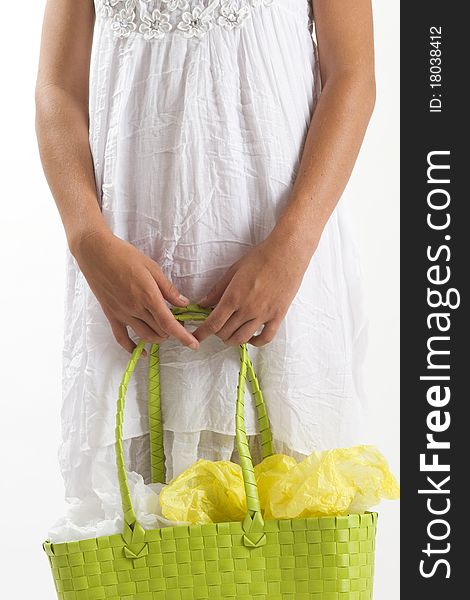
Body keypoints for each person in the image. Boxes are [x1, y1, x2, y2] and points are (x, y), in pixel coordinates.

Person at [35, 0, 375, 513]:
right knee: (134, 554)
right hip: (121, 280)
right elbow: (57, 88)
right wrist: (86, 238)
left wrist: (293, 246)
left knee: (293, 544)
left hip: (281, 271)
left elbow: (352, 74)